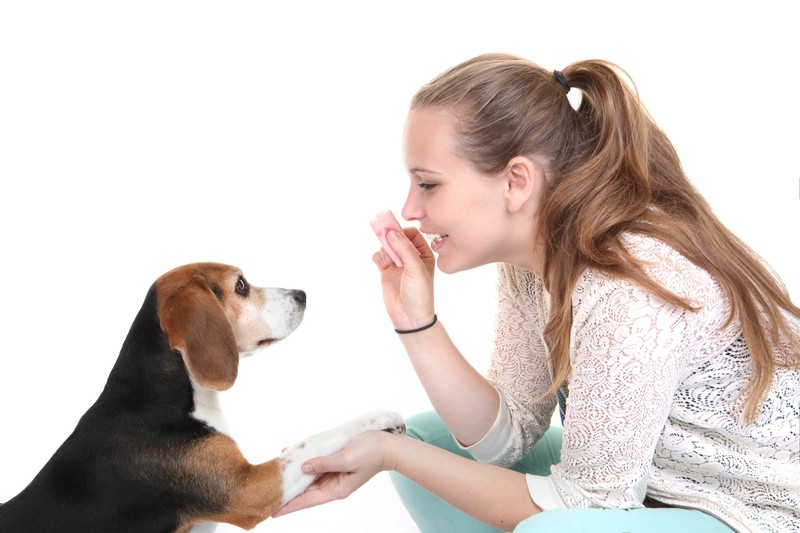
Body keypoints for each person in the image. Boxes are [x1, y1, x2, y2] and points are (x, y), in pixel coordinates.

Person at [275, 54, 800, 532]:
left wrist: (390, 455)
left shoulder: (628, 288)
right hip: (658, 493)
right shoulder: (534, 262)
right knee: (428, 440)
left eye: (428, 184)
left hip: (754, 515)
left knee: (556, 527)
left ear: (516, 182)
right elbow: (509, 438)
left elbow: (592, 508)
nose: (410, 209)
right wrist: (417, 322)